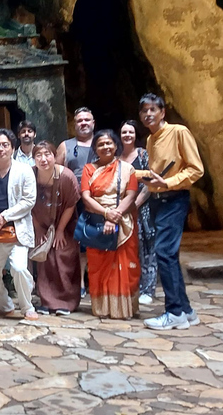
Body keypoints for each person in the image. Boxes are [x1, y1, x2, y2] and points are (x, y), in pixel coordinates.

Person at [135, 93, 204, 330]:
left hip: (174, 199)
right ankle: (186, 311)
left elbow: (196, 169)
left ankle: (174, 313)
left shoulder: (178, 132)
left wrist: (168, 183)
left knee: (164, 252)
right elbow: (157, 175)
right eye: (144, 110)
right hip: (159, 200)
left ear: (163, 112)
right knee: (169, 255)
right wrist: (149, 183)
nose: (148, 114)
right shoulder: (150, 140)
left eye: (153, 109)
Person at [0, 129, 38, 321]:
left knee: (19, 268)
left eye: (5, 145)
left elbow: (29, 200)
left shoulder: (24, 170)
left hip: (17, 230)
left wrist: (5, 216)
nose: (0, 149)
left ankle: (27, 306)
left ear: (12, 148)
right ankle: (5, 305)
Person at [80, 129, 140, 319]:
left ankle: (123, 308)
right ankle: (103, 308)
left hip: (123, 223)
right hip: (96, 221)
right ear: (95, 148)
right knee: (98, 265)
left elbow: (131, 195)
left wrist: (115, 215)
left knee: (125, 265)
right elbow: (86, 196)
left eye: (109, 143)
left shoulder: (127, 169)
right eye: (100, 144)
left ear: (116, 146)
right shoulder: (89, 169)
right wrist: (105, 213)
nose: (105, 147)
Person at [31, 140, 81, 315]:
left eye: (47, 154)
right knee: (45, 260)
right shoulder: (30, 176)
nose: (43, 159)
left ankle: (66, 302)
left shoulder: (66, 176)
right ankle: (47, 301)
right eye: (38, 155)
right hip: (41, 224)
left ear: (54, 156)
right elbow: (27, 203)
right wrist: (37, 229)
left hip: (64, 225)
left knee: (63, 255)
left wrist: (60, 230)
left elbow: (70, 204)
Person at [56, 107, 97, 299]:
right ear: (75, 124)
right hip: (74, 202)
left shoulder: (102, 142)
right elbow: (58, 173)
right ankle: (79, 282)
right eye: (80, 120)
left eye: (87, 120)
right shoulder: (65, 145)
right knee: (77, 242)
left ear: (93, 122)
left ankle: (96, 281)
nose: (83, 123)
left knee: (96, 241)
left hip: (99, 201)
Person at [119, 120, 156, 306]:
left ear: (136, 134)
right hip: (123, 209)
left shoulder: (142, 154)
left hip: (142, 209)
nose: (127, 135)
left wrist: (136, 203)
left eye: (130, 132)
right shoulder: (117, 157)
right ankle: (131, 286)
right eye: (124, 132)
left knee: (146, 247)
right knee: (129, 248)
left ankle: (148, 288)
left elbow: (150, 182)